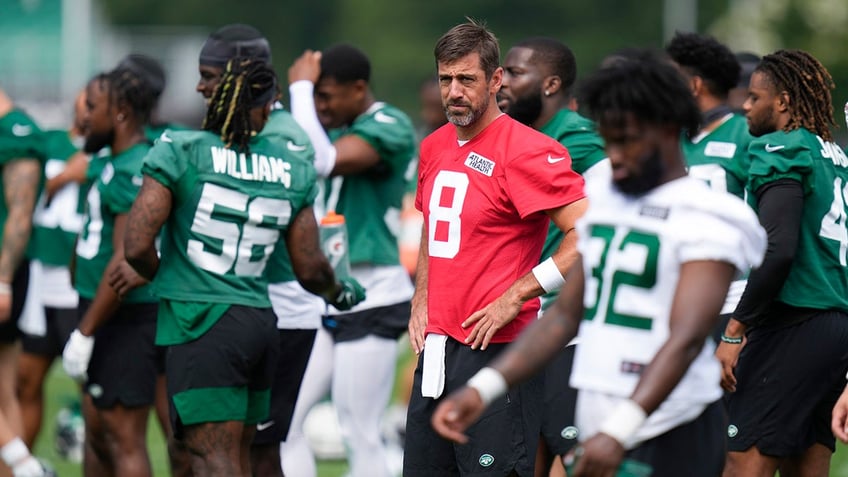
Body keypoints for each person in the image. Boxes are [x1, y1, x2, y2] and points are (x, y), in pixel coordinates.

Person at [431, 49, 767, 477]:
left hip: (671, 426)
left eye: (627, 140)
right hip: (600, 415)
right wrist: (483, 389)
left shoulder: (710, 215)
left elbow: (685, 337)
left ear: (666, 130)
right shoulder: (608, 193)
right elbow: (563, 316)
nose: (616, 156)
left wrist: (622, 428)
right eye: (610, 141)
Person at [111, 56, 363, 477]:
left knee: (214, 457)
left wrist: (174, 277)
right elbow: (310, 267)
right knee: (245, 453)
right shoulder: (290, 166)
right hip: (259, 321)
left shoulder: (181, 149)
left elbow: (136, 246)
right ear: (262, 107)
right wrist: (341, 292)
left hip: (203, 321)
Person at [402, 20, 587, 476]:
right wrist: (421, 296)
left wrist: (519, 293)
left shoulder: (525, 149)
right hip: (439, 350)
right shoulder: (433, 146)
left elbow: (589, 233)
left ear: (495, 79)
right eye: (446, 79)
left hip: (498, 349)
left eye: (467, 79)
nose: (454, 92)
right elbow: (433, 225)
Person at [194, 23, 325, 477]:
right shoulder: (232, 130)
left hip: (282, 309)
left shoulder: (284, 137)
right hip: (237, 307)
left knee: (260, 449)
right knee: (216, 445)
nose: (200, 87)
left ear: (239, 76)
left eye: (210, 76)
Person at [287, 43, 417, 477]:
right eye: (316, 97)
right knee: (287, 420)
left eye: (327, 96)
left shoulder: (389, 124)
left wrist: (301, 89)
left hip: (373, 293)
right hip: (327, 292)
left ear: (358, 88)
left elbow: (319, 161)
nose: (319, 107)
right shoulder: (337, 125)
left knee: (358, 429)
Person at [716, 49, 848, 477]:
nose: (746, 106)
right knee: (806, 462)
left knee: (740, 460)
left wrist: (735, 331)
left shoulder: (782, 146)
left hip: (795, 320)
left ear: (785, 102)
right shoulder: (836, 158)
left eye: (755, 98)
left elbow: (779, 248)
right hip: (834, 325)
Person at [498, 36, 607, 477]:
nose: (502, 81)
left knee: (568, 450)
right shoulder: (529, 137)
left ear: (551, 84)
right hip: (531, 319)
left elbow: (596, 230)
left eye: (516, 72)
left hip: (564, 318)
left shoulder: (578, 141)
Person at [59, 65, 162, 477]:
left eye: (93, 106)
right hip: (98, 308)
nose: (83, 115)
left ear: (119, 113)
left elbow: (125, 259)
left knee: (123, 436)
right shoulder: (108, 158)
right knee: (98, 430)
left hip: (122, 316)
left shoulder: (132, 167)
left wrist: (85, 332)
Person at [665, 31, 754, 343]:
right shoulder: (670, 138)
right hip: (676, 294)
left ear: (694, 84)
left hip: (731, 293)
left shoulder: (747, 134)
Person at [16, 89, 88, 450]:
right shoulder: (48, 141)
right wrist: (64, 178)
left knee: (93, 392)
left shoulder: (120, 151)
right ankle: (20, 464)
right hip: (38, 281)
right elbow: (22, 190)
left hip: (82, 287)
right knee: (24, 381)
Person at [0, 87, 49, 477]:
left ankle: (25, 467)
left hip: (3, 272)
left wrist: (2, 280)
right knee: (5, 388)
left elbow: (21, 212)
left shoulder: (16, 131)